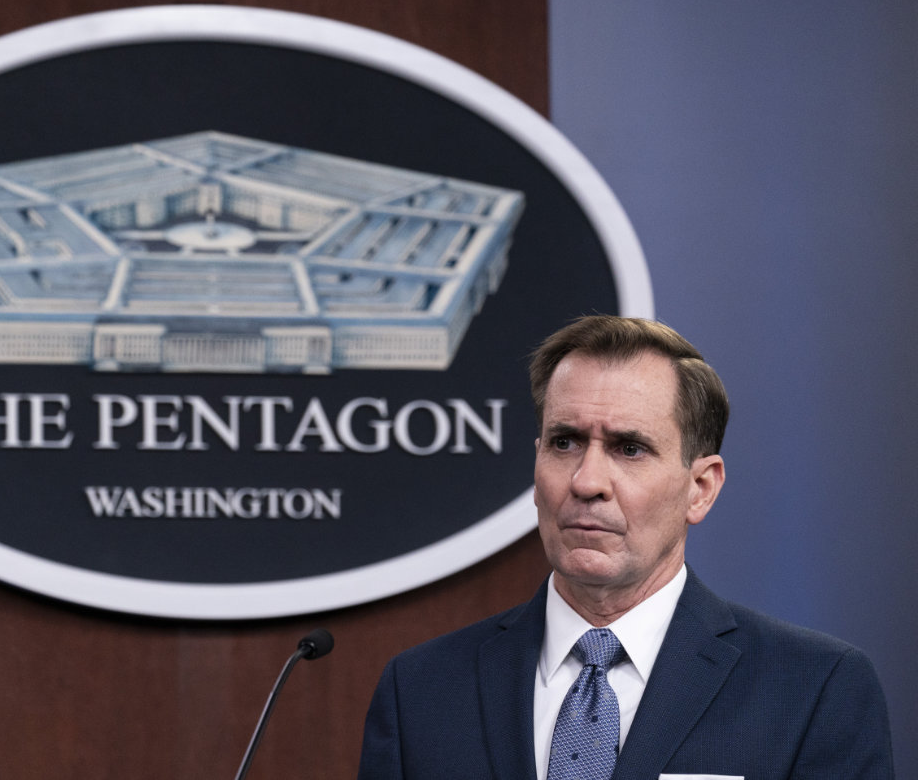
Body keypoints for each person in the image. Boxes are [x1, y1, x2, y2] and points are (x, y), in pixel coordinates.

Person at [357, 315, 893, 779]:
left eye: (629, 448)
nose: (587, 481)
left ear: (700, 488)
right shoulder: (422, 690)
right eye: (564, 442)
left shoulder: (813, 688)